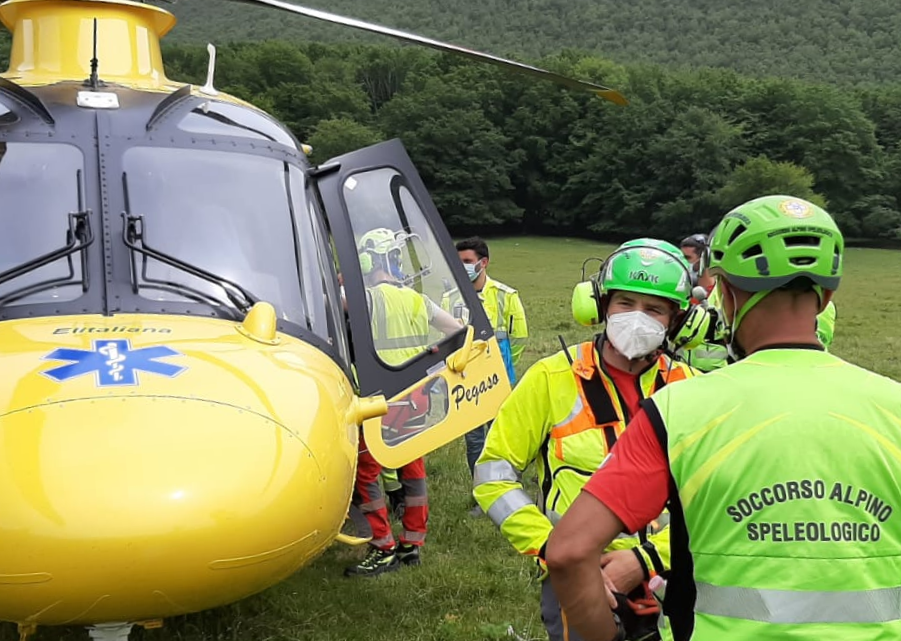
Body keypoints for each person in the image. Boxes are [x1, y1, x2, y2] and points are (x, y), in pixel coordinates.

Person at [547, 195, 901, 641]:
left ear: (727, 295)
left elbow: (568, 552)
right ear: (827, 295)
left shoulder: (678, 409)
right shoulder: (894, 406)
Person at [473, 239, 700, 641]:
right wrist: (556, 551)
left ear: (676, 320)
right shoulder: (550, 377)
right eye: (625, 303)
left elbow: (715, 499)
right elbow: (493, 474)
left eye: (654, 309)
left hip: (674, 575)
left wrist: (647, 558)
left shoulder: (694, 390)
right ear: (600, 307)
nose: (636, 318)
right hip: (577, 578)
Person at [344, 227, 461, 578]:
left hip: (382, 402)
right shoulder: (415, 299)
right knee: (413, 470)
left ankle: (382, 547)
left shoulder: (365, 297)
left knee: (365, 474)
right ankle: (413, 544)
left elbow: (325, 305)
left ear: (366, 260)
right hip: (415, 399)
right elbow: (457, 330)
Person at [444, 237, 528, 480]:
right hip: (466, 380)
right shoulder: (450, 298)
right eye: (459, 262)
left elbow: (519, 338)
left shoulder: (506, 295)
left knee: (501, 437)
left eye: (468, 261)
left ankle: (508, 485)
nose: (463, 267)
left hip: (498, 380)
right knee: (474, 441)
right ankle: (481, 490)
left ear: (484, 263)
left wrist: (504, 368)